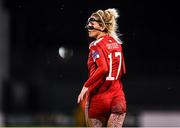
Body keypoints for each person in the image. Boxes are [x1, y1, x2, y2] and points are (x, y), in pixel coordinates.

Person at [77, 8, 127, 127]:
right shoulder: (117, 44)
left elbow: (103, 68)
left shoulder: (95, 45)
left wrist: (86, 85)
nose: (88, 28)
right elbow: (123, 70)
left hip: (99, 97)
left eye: (92, 24)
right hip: (118, 96)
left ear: (102, 26)